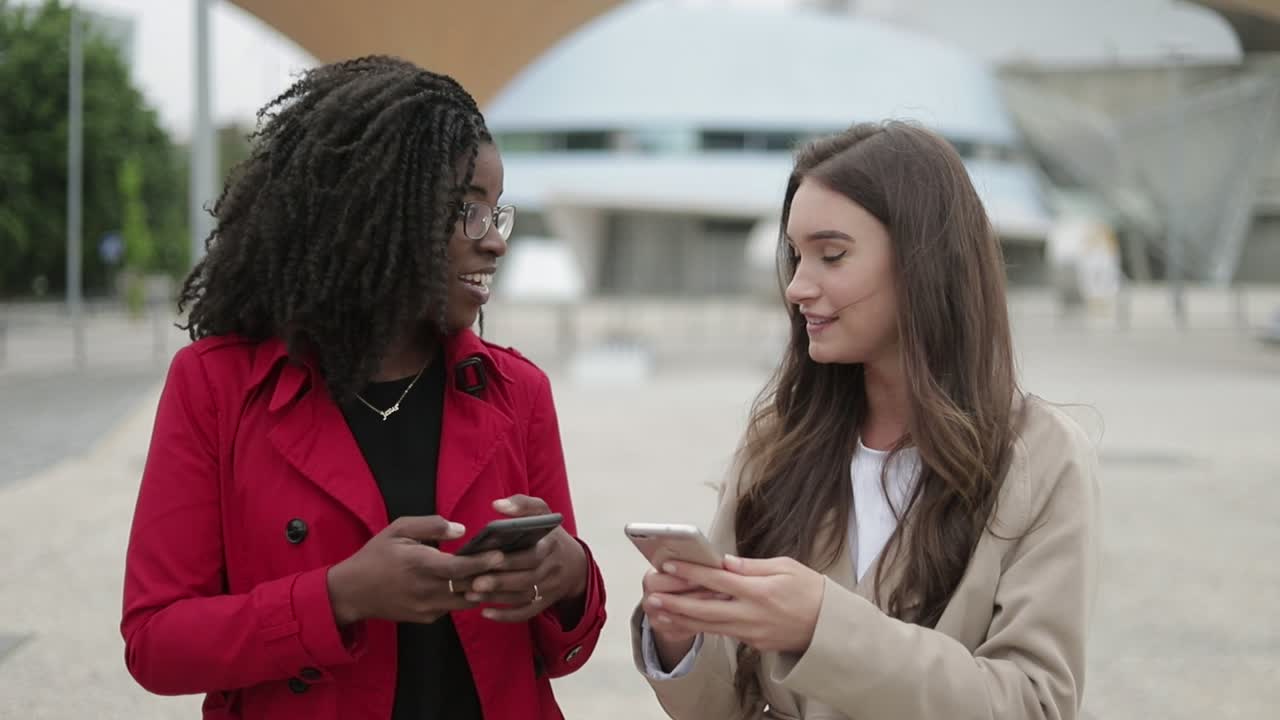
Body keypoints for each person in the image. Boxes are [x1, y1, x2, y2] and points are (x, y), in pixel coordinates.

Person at [121, 56, 606, 720]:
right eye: (468, 209)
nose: (494, 242)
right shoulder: (216, 386)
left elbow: (557, 651)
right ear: (376, 208)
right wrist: (337, 597)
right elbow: (156, 643)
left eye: (498, 213)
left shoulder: (516, 390)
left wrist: (571, 575)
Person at [633, 122, 1099, 720]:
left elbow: (1034, 703)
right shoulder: (776, 446)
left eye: (832, 255)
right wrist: (682, 638)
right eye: (795, 257)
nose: (798, 286)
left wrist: (820, 626)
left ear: (923, 260)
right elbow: (728, 705)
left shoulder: (1043, 456)